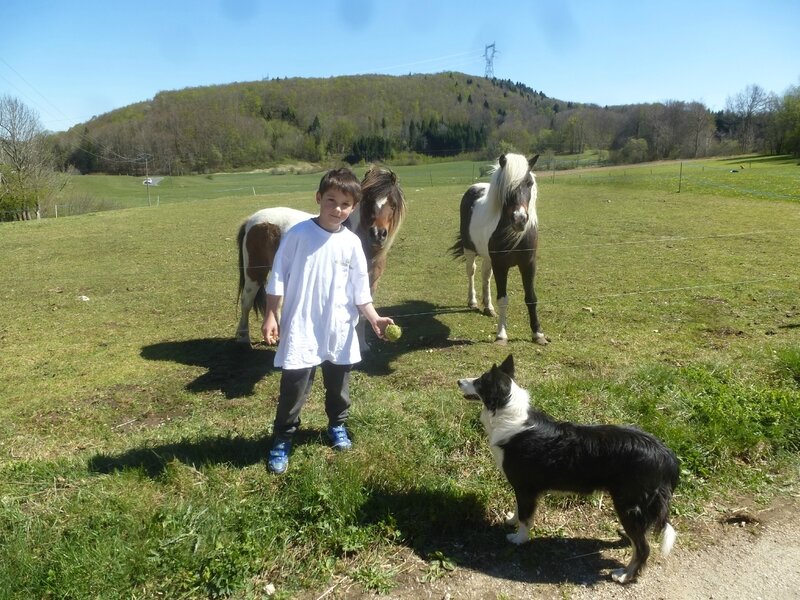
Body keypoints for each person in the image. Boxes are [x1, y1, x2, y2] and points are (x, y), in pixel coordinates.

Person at [261, 167, 394, 474]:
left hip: (338, 328)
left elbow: (361, 291)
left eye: (345, 204)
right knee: (294, 387)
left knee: (339, 386)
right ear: (318, 198)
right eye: (331, 201)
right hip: (302, 327)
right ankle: (283, 437)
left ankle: (337, 425)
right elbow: (277, 278)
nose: (337, 209)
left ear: (354, 208)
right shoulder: (297, 236)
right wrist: (271, 314)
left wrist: (374, 319)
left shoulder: (351, 244)